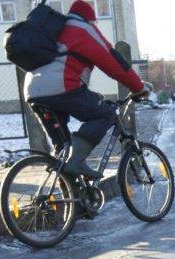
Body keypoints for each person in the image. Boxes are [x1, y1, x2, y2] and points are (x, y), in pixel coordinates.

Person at [23, 0, 150, 178]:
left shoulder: (57, 30)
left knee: (63, 151)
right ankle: (77, 162)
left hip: (33, 91)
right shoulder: (83, 29)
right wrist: (139, 87)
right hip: (61, 87)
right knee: (105, 114)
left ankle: (74, 202)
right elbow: (113, 62)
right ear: (90, 19)